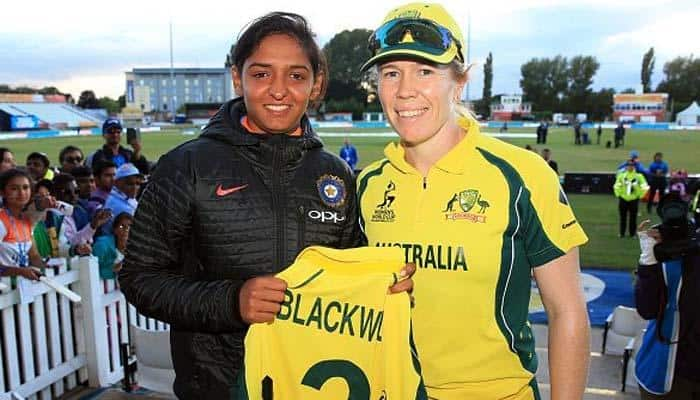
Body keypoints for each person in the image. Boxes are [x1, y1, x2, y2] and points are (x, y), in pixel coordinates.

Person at [119, 12, 412, 399]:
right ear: (238, 78)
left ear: (316, 83)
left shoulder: (336, 175)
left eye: (295, 75)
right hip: (217, 387)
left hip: (314, 385)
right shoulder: (186, 166)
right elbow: (139, 279)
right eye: (261, 74)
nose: (278, 90)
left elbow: (348, 273)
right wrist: (231, 301)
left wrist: (384, 286)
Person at [357, 3, 590, 399]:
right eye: (391, 73)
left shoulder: (523, 175)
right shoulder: (368, 184)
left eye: (425, 72)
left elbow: (567, 311)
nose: (404, 90)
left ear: (459, 83)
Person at [634, 197, 700, 398]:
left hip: (673, 369)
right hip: (667, 370)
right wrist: (650, 261)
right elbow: (648, 309)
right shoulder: (669, 262)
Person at [0, 169, 46, 280]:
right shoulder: (1, 220)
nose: (21, 193)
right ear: (2, 192)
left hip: (22, 289)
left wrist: (46, 268)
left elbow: (34, 256)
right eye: (14, 188)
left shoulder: (26, 220)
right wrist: (20, 271)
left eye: (26, 187)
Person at [101, 163, 142, 235]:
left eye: (138, 183)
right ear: (116, 183)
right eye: (130, 184)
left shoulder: (123, 196)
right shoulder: (117, 205)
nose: (135, 188)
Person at [613, 159, 649, 237]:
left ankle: (632, 234)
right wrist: (618, 194)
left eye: (631, 165)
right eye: (628, 165)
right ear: (626, 166)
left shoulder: (639, 176)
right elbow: (616, 186)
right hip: (623, 199)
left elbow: (645, 187)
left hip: (634, 199)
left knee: (633, 218)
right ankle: (622, 233)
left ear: (634, 166)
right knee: (623, 217)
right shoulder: (621, 176)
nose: (630, 167)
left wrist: (639, 195)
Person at [92, 212, 132, 279]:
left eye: (130, 226)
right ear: (115, 229)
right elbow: (93, 271)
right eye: (122, 226)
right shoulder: (102, 245)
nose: (126, 230)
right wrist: (113, 270)